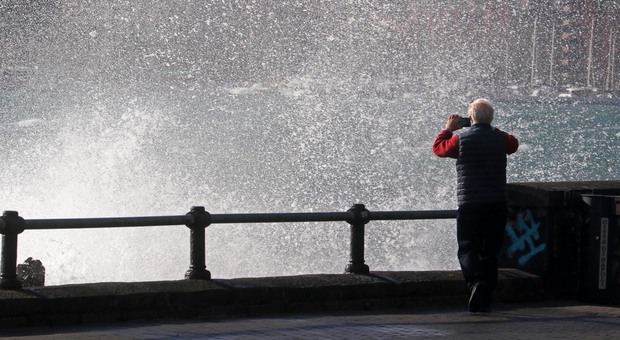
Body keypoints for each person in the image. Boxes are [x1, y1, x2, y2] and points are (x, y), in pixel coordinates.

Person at [432, 98, 519, 313]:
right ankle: (486, 294)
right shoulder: (500, 138)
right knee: (490, 251)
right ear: (491, 118)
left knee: (467, 249)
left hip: (470, 203)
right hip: (497, 203)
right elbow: (514, 144)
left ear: (470, 118)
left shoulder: (460, 140)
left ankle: (475, 283)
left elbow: (438, 149)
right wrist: (491, 127)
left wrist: (448, 129)